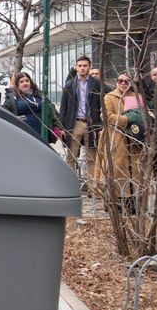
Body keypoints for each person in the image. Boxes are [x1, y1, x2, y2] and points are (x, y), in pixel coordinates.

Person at [99, 73, 146, 214]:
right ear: (116, 82)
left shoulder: (136, 97)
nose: (123, 83)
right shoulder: (109, 97)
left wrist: (136, 121)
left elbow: (142, 116)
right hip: (116, 137)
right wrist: (126, 119)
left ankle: (131, 201)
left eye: (127, 81)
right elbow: (106, 116)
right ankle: (113, 202)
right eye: (120, 81)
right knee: (116, 169)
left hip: (134, 139)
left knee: (134, 171)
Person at [59, 55, 104, 181]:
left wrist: (101, 125)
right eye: (80, 66)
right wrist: (62, 127)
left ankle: (92, 188)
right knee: (71, 156)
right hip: (75, 123)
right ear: (76, 67)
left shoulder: (96, 84)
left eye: (85, 66)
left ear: (89, 67)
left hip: (92, 124)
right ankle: (68, 185)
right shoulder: (70, 85)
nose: (83, 68)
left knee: (91, 157)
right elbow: (63, 108)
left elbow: (103, 104)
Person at [2, 71, 49, 138]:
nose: (25, 83)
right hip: (23, 136)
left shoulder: (39, 94)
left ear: (30, 82)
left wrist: (57, 127)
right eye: (21, 82)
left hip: (42, 135)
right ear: (17, 84)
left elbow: (51, 110)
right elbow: (4, 113)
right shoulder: (12, 98)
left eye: (27, 81)